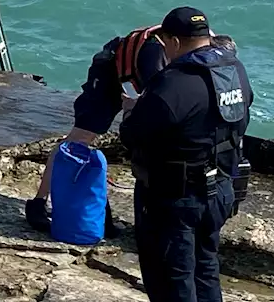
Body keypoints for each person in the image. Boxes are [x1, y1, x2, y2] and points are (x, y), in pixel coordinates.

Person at [119, 7, 252, 302]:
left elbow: (134, 134)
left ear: (174, 41)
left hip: (174, 194)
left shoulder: (174, 81)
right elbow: (239, 116)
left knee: (171, 276)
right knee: (205, 267)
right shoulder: (233, 71)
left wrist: (135, 109)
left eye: (164, 43)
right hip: (219, 188)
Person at [25, 23, 168, 232]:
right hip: (110, 70)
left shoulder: (193, 53)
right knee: (80, 137)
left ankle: (100, 210)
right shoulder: (155, 56)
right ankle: (38, 202)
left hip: (135, 76)